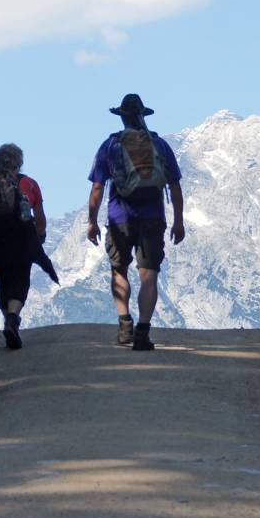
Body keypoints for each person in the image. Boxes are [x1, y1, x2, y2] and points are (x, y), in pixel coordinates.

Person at [87, 93, 185, 349]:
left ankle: (125, 326)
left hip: (119, 218)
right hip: (153, 217)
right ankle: (143, 331)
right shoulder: (159, 145)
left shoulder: (110, 146)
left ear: (122, 117)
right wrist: (178, 221)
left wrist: (92, 221)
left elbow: (97, 188)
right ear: (143, 115)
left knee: (119, 269)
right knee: (149, 274)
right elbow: (175, 186)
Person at [0, 143, 58, 350]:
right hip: (21, 239)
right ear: (19, 162)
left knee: (2, 280)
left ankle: (8, 318)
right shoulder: (29, 183)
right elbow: (40, 216)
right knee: (20, 280)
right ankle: (12, 318)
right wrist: (40, 235)